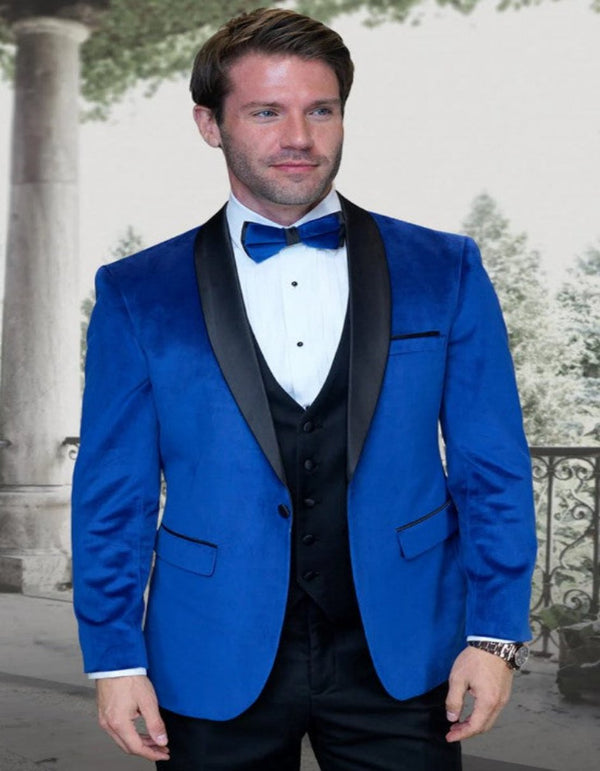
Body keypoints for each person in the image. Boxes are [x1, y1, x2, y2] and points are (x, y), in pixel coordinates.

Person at [72, 8, 537, 770]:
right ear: (210, 124)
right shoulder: (136, 292)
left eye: (321, 110)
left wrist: (494, 636)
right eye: (266, 112)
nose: (299, 136)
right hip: (211, 648)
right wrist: (115, 656)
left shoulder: (445, 269)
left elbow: (493, 467)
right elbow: (112, 494)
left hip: (404, 649)